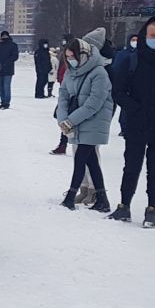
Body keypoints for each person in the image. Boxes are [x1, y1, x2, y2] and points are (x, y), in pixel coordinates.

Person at [109, 16, 155, 228]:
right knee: (131, 166)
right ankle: (124, 205)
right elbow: (117, 90)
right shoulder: (130, 61)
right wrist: (133, 108)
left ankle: (152, 208)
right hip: (136, 124)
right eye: (153, 36)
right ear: (145, 35)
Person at [55, 29, 114, 214]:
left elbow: (93, 104)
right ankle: (102, 199)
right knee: (90, 161)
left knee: (81, 158)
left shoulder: (99, 73)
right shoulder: (71, 72)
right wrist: (63, 118)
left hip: (94, 121)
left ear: (84, 54)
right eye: (68, 57)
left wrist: (70, 121)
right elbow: (63, 95)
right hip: (77, 120)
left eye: (73, 56)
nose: (70, 60)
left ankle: (71, 196)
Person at [0, 31, 19, 108]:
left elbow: (15, 56)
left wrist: (7, 63)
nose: (4, 37)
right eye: (3, 35)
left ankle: (6, 102)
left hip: (8, 69)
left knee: (6, 86)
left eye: (5, 35)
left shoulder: (13, 45)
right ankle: (3, 101)